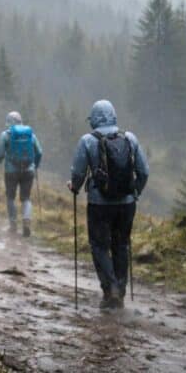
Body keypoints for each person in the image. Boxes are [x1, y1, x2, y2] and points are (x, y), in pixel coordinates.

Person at [67, 100, 149, 310]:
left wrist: (74, 187)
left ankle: (110, 288)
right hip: (126, 204)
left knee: (100, 246)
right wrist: (135, 192)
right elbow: (144, 171)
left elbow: (78, 173)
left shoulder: (87, 141)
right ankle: (120, 290)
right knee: (121, 244)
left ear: (93, 118)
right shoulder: (129, 138)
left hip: (99, 204)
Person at [0, 111, 43, 237]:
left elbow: (0, 154)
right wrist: (35, 165)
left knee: (10, 197)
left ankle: (13, 224)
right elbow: (39, 152)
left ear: (8, 122)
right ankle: (26, 220)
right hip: (28, 170)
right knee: (26, 198)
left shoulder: (5, 135)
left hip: (11, 171)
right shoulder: (30, 135)